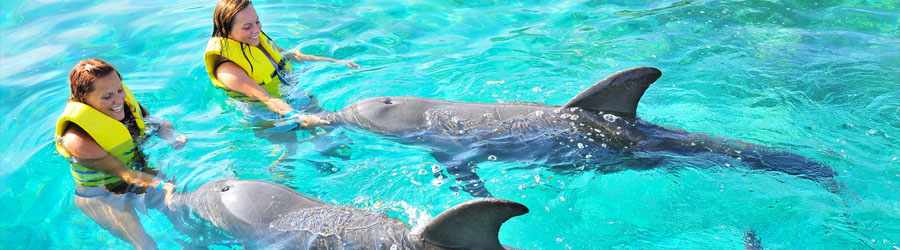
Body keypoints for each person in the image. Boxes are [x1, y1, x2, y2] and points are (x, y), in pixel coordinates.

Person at [55, 59, 186, 249]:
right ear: (83, 99)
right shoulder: (76, 139)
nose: (118, 100)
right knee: (146, 245)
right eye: (107, 96)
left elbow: (155, 123)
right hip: (101, 195)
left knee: (182, 210)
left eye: (119, 90)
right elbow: (125, 173)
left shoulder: (124, 106)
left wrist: (171, 137)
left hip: (138, 173)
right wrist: (161, 186)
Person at [204, 0, 356, 127]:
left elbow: (290, 55)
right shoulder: (227, 71)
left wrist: (335, 62)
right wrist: (297, 117)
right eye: (247, 27)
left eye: (257, 22)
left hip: (290, 94)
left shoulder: (257, 43)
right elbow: (266, 99)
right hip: (266, 114)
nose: (256, 29)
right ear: (226, 30)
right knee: (291, 153)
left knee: (330, 133)